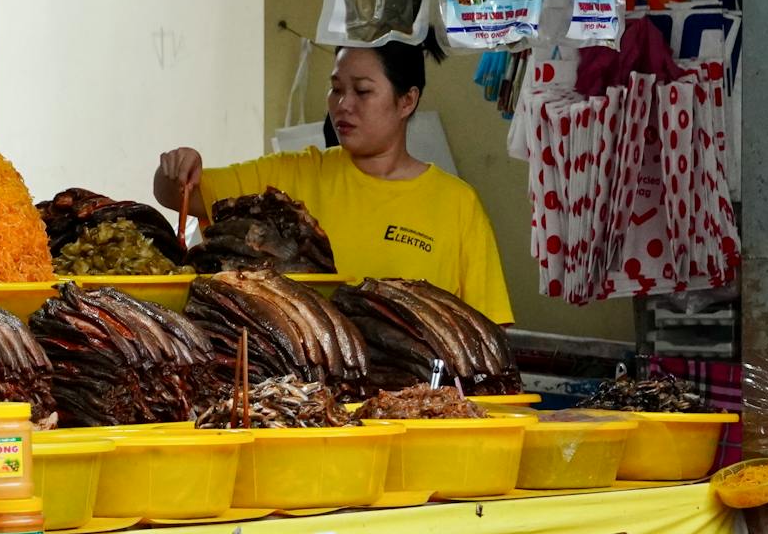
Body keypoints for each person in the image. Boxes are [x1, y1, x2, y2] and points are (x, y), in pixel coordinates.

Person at [155, 37, 513, 324]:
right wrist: (177, 167)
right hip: (303, 400)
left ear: (406, 101)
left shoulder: (456, 203)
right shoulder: (292, 174)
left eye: (362, 91)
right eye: (336, 88)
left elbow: (488, 331)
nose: (343, 104)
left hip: (412, 400)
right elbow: (182, 195)